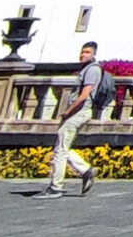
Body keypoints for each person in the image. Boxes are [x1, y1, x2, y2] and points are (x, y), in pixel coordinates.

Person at [45, 41, 112, 196]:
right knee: (62, 147)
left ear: (94, 54)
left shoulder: (91, 70)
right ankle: (85, 170)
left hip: (79, 112)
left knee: (60, 149)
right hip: (81, 112)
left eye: (87, 52)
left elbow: (84, 95)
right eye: (82, 52)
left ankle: (56, 187)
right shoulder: (89, 69)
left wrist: (68, 111)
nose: (83, 55)